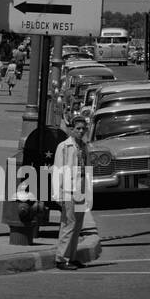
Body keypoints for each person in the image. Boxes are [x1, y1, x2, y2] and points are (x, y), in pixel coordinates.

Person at [53, 116, 90, 271]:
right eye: (78, 128)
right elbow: (57, 170)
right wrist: (58, 194)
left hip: (80, 190)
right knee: (68, 225)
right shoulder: (64, 146)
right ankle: (61, 258)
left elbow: (86, 170)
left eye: (83, 129)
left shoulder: (84, 147)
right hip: (68, 190)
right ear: (72, 129)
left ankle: (72, 257)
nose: (81, 131)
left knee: (77, 226)